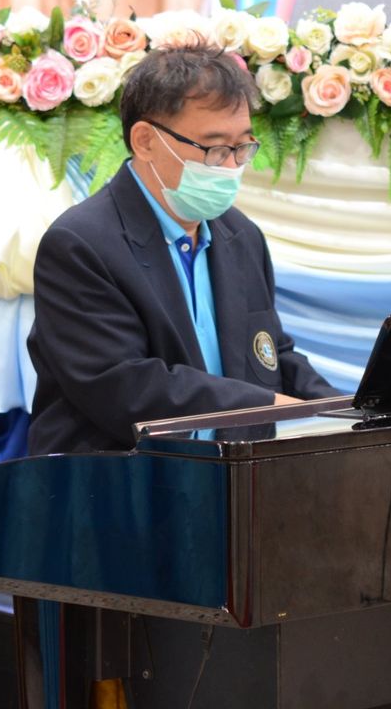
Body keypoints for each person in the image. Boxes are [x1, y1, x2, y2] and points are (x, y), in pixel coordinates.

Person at [26, 43, 337, 455]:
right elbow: (125, 385)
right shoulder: (80, 244)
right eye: (215, 148)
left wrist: (345, 411)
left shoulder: (241, 236)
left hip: (232, 476)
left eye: (243, 147)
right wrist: (263, 407)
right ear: (145, 141)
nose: (231, 167)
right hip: (117, 477)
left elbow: (270, 355)